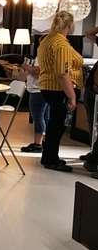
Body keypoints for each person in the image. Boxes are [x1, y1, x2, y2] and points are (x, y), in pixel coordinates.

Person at [38, 10, 84, 172]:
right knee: (57, 125)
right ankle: (51, 159)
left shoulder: (47, 40)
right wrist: (72, 96)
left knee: (54, 123)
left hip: (48, 87)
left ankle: (49, 156)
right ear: (70, 25)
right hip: (59, 89)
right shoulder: (61, 44)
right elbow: (62, 74)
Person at [18, 57, 50, 153]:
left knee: (38, 117)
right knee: (44, 117)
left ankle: (38, 144)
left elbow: (37, 72)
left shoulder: (42, 55)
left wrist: (26, 67)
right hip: (43, 89)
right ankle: (44, 143)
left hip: (38, 90)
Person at [80, 25, 98, 172]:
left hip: (95, 89)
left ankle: (94, 157)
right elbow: (88, 33)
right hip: (91, 89)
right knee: (92, 122)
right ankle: (93, 151)